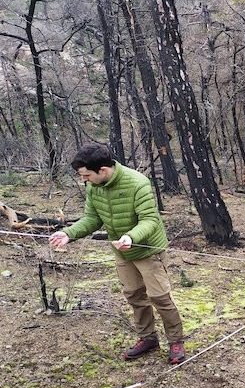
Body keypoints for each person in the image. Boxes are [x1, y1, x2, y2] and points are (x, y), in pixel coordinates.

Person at [49, 143, 186, 364]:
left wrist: (131, 237)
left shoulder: (138, 182)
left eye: (86, 175)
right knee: (134, 295)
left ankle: (176, 341)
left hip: (147, 249)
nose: (83, 180)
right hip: (122, 252)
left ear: (102, 170)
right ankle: (148, 338)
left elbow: (150, 220)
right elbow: (93, 219)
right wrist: (69, 234)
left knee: (160, 297)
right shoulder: (94, 187)